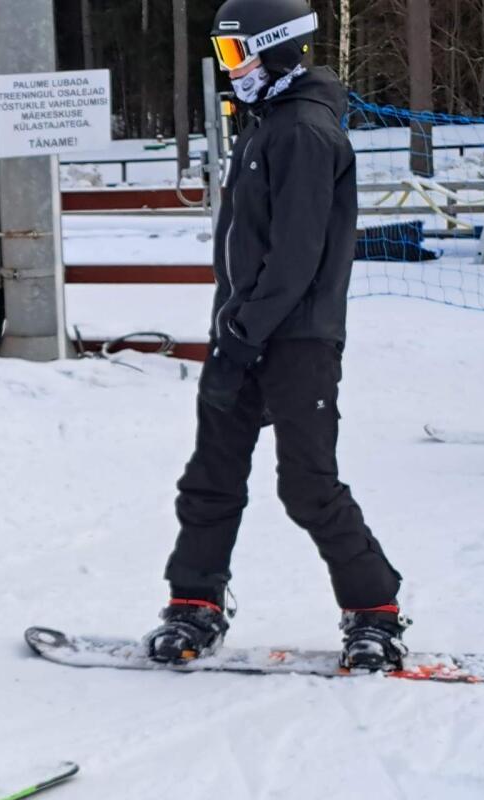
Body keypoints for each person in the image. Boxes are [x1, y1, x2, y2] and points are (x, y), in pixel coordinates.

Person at [145, 0, 409, 670]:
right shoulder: (262, 125)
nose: (231, 68)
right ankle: (194, 602)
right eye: (223, 54)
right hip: (242, 329)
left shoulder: (304, 133)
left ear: (282, 48)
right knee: (210, 477)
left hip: (298, 339)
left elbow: (296, 257)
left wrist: (243, 332)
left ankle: (374, 611)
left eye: (239, 53)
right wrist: (234, 330)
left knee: (308, 485)